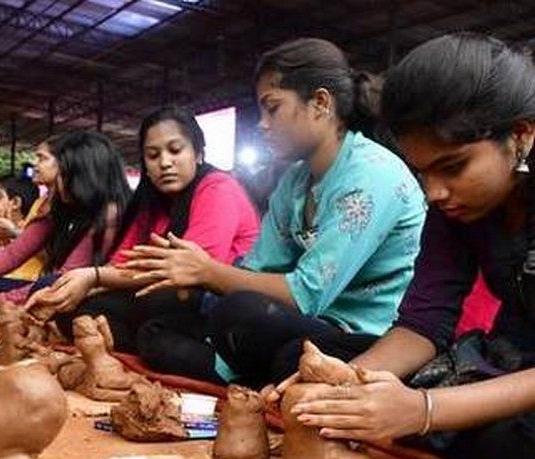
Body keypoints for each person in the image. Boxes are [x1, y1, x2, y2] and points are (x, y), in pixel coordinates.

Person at [287, 34, 535, 459]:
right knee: (290, 358)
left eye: (453, 167)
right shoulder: (452, 208)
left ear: (521, 135)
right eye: (422, 173)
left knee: (514, 450)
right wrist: (339, 386)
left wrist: (424, 411)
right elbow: (423, 325)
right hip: (502, 363)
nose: (435, 193)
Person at [122, 39, 426, 386]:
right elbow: (256, 269)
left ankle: (252, 371)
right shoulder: (296, 181)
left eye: (273, 108)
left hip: (361, 336)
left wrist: (207, 272)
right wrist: (210, 280)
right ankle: (256, 374)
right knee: (162, 326)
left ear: (320, 103)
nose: (263, 124)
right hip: (305, 326)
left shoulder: (371, 174)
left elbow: (306, 295)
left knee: (246, 319)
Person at [25, 107, 260, 354]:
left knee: (165, 301)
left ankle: (135, 339)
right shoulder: (150, 203)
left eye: (175, 150)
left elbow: (186, 271)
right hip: (156, 296)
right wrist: (74, 288)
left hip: (209, 299)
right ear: (145, 163)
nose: (165, 163)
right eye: (153, 155)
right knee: (59, 292)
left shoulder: (217, 188)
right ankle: (127, 338)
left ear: (198, 154)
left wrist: (93, 277)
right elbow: (120, 264)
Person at [0, 130, 131, 310]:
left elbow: (67, 276)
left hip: (92, 293)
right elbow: (15, 253)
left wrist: (6, 299)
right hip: (58, 284)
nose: (36, 165)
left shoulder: (109, 212)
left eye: (43, 158)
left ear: (85, 175)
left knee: (46, 284)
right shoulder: (59, 206)